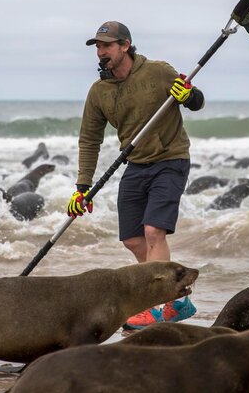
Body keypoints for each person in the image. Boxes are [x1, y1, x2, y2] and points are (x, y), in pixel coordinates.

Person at [66, 21, 204, 329]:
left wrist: (188, 96)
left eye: (106, 45)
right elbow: (89, 139)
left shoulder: (158, 72)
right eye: (98, 47)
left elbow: (197, 101)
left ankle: (164, 305)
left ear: (125, 45)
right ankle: (172, 297)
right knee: (132, 239)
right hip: (136, 163)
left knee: (154, 231)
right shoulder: (99, 91)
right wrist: (81, 187)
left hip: (170, 159)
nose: (101, 52)